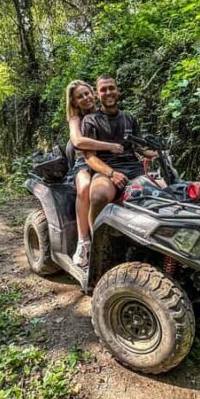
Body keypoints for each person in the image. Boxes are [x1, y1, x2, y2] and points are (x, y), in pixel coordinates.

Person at [81, 75, 156, 228]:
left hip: (134, 170)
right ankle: (95, 242)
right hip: (105, 171)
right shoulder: (90, 120)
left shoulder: (129, 118)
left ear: (118, 91)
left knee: (159, 192)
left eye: (111, 88)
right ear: (97, 94)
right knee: (99, 196)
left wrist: (156, 154)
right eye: (103, 90)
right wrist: (112, 174)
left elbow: (139, 148)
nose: (108, 92)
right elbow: (90, 157)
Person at [65, 80, 124, 267]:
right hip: (84, 163)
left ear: (94, 94)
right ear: (74, 102)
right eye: (80, 96)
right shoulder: (76, 119)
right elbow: (78, 141)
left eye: (87, 93)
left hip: (105, 161)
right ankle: (84, 242)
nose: (85, 98)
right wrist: (109, 146)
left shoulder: (104, 114)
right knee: (85, 187)